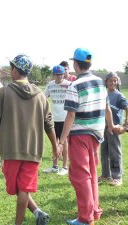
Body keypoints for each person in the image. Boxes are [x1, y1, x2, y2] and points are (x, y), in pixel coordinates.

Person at [0, 54, 60, 225]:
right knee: (22, 187)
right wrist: (55, 147)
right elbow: (49, 124)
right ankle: (38, 212)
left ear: (15, 70)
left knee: (19, 187)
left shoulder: (4, 93)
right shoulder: (40, 96)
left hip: (10, 150)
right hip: (33, 151)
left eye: (11, 68)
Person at [58, 48, 114, 225]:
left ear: (75, 64)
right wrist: (111, 126)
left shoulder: (75, 85)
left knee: (80, 176)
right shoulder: (100, 82)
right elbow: (107, 108)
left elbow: (71, 116)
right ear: (89, 63)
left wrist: (61, 142)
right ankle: (94, 211)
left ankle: (85, 218)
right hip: (97, 134)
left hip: (80, 135)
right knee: (91, 173)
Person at [99, 72, 128, 186]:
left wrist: (126, 125)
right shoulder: (104, 94)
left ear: (118, 82)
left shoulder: (118, 95)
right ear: (106, 82)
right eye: (110, 80)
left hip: (113, 128)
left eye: (115, 80)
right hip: (103, 127)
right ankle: (106, 174)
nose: (112, 82)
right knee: (104, 151)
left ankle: (117, 177)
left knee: (115, 152)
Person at [43, 65, 71, 175]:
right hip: (53, 118)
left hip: (65, 118)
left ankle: (64, 167)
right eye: (57, 74)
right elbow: (43, 97)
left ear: (64, 74)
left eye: (61, 74)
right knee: (54, 142)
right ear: (53, 74)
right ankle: (55, 166)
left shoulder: (69, 85)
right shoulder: (50, 85)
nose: (59, 76)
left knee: (64, 142)